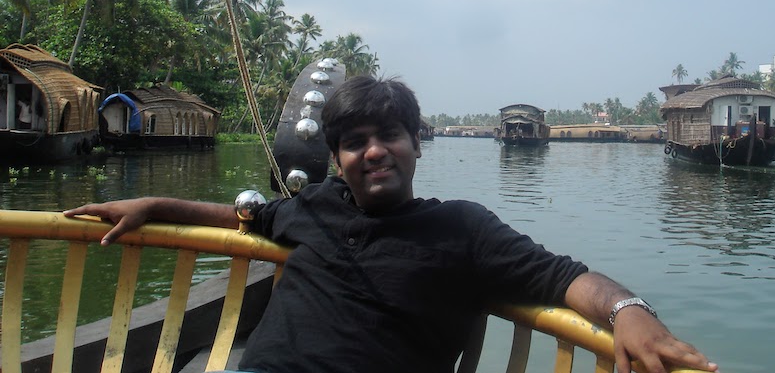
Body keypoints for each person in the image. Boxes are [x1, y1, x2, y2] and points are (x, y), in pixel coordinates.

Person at [65, 76, 719, 373]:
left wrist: (630, 309)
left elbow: (567, 278)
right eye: (354, 141)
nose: (373, 150)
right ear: (337, 158)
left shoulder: (463, 229)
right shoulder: (315, 204)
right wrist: (153, 206)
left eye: (389, 135)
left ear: (415, 144)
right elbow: (245, 217)